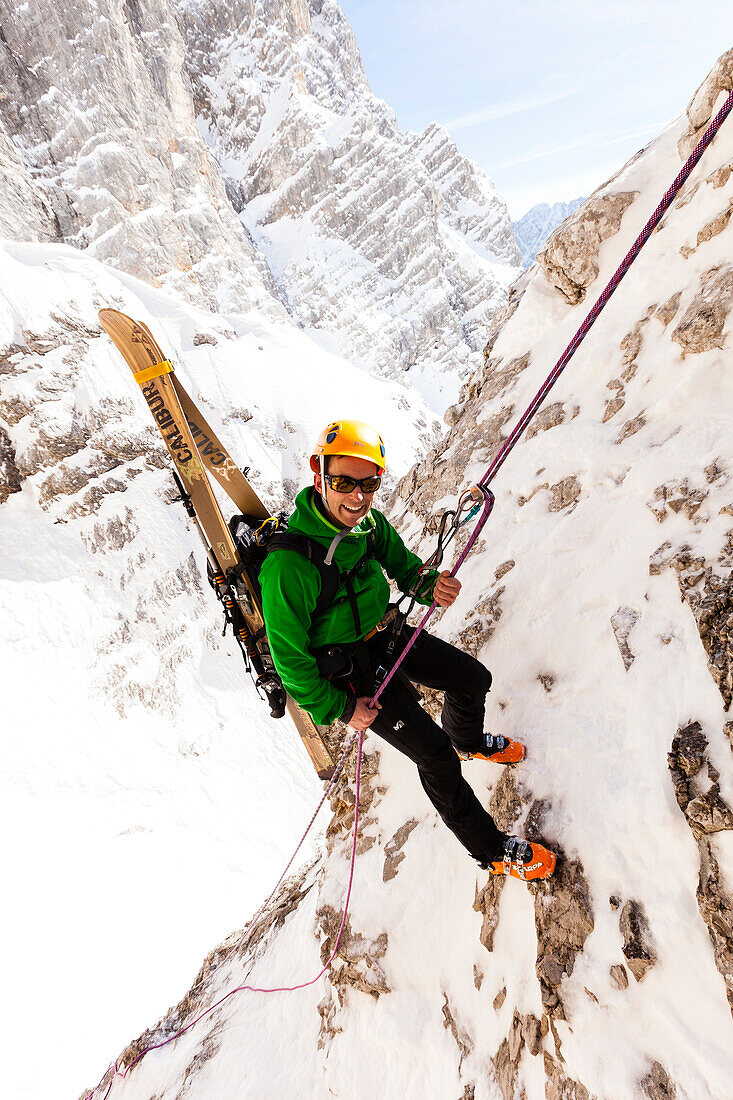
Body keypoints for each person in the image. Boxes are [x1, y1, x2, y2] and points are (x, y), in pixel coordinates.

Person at [259, 420, 556, 881]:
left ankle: (470, 742)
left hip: (385, 634)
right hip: (350, 671)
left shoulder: (368, 524)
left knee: (472, 679)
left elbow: (403, 567)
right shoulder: (289, 565)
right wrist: (339, 707)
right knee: (434, 756)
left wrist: (429, 586)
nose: (358, 497)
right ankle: (491, 851)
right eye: (343, 483)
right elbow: (289, 659)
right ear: (318, 474)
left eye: (369, 484)